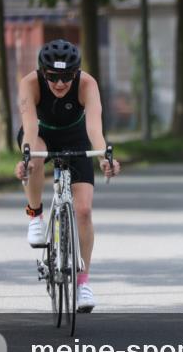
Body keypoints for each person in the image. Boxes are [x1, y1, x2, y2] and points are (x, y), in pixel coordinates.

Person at [14, 39, 121, 313]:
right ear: (43, 72)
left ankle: (83, 283)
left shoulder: (87, 84)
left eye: (66, 77)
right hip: (41, 134)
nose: (60, 84)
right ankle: (35, 215)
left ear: (76, 74)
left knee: (83, 211)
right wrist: (26, 159)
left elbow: (95, 130)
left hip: (76, 137)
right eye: (53, 77)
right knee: (37, 156)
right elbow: (29, 128)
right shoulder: (30, 83)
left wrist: (104, 158)